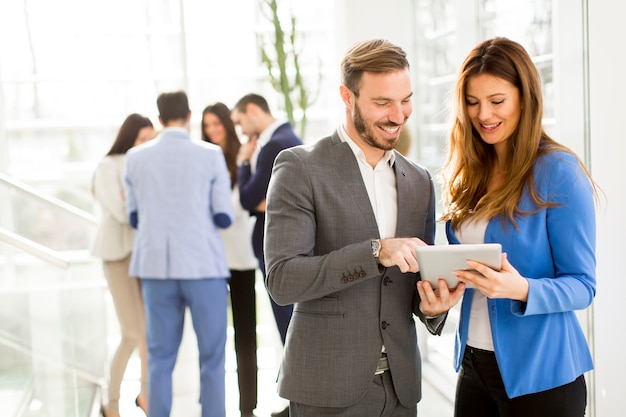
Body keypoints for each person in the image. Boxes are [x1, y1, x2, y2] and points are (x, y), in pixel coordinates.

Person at [264, 38, 464, 417]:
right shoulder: (300, 168)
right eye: (382, 103)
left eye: (405, 99)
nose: (398, 115)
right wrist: (376, 251)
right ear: (347, 96)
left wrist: (432, 307)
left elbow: (412, 284)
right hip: (325, 388)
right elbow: (283, 280)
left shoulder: (419, 181)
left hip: (401, 390)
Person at [440, 37, 597, 417]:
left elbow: (583, 285)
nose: (483, 115)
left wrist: (522, 289)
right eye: (473, 102)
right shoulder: (469, 173)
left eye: (497, 101)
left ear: (524, 99)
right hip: (473, 366)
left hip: (544, 377)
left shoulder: (558, 171)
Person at [124, 91, 234, 417]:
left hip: (156, 267)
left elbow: (133, 217)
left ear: (159, 119)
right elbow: (223, 215)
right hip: (203, 266)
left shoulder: (135, 157)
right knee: (212, 357)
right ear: (189, 116)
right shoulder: (210, 155)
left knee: (159, 358)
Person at [231, 93, 302, 417]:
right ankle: (296, 400)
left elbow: (248, 198)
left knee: (288, 323)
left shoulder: (276, 145)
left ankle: (298, 402)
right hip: (283, 247)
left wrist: (244, 162)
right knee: (289, 323)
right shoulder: (286, 139)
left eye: (240, 121)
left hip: (276, 249)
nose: (241, 130)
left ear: (254, 111)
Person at [91, 113, 153, 417]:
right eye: (141, 139)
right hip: (117, 254)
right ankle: (111, 404)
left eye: (148, 140)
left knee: (146, 334)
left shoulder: (143, 165)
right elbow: (120, 210)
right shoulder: (108, 166)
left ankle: (145, 396)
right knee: (131, 332)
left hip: (141, 254)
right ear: (129, 137)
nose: (144, 146)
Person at [201, 102, 260, 417]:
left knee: (246, 336)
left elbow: (238, 208)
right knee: (212, 334)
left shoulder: (242, 157)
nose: (212, 130)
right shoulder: (202, 159)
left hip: (239, 258)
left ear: (227, 123)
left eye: (217, 124)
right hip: (209, 259)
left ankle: (247, 406)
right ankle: (212, 406)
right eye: (207, 125)